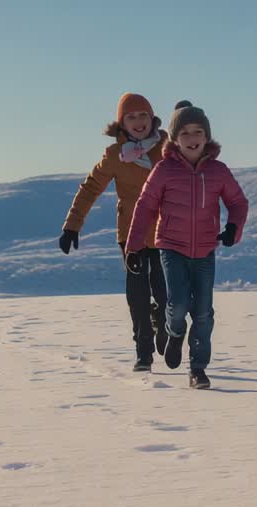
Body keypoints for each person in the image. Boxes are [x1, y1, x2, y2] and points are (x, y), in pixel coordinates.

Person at [126, 100, 249, 389]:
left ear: (207, 137)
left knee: (204, 311)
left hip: (205, 250)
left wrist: (233, 227)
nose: (192, 139)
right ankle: (174, 331)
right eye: (185, 133)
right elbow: (144, 207)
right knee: (178, 303)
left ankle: (197, 369)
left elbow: (238, 202)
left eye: (198, 132)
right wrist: (133, 247)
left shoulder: (217, 171)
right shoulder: (164, 170)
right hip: (171, 247)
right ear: (175, 139)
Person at [58, 93, 169, 372]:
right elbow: (91, 187)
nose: (138, 122)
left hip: (164, 231)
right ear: (122, 123)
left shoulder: (167, 148)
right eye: (131, 117)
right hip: (130, 233)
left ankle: (164, 323)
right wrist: (72, 225)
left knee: (164, 288)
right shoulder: (114, 156)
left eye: (143, 115)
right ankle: (143, 351)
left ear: (152, 117)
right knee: (137, 292)